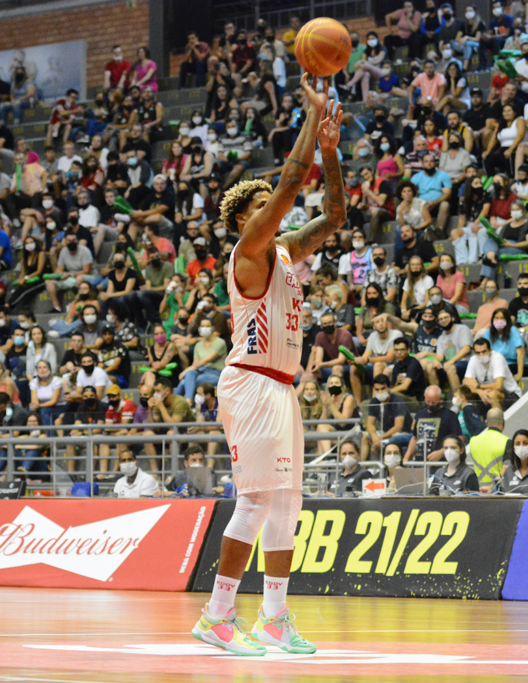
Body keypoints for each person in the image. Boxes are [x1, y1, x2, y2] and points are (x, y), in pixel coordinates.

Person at [191, 74, 341, 657]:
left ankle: (274, 618)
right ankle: (217, 616)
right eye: (261, 208)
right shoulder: (250, 250)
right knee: (255, 501)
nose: (271, 212)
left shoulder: (284, 250)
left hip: (281, 387)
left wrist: (330, 151)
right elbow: (290, 183)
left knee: (288, 503)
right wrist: (311, 117)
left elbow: (334, 215)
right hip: (251, 382)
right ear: (245, 221)